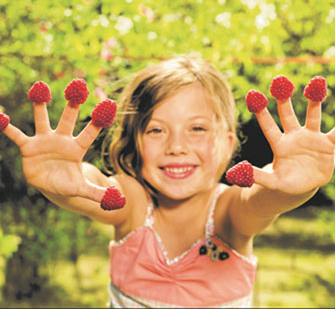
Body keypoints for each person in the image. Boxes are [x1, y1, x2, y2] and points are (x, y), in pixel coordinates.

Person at [1, 55, 334, 308]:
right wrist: (66, 179)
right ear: (136, 141)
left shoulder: (229, 215)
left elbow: (263, 202)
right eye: (157, 130)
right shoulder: (133, 205)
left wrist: (297, 186)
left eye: (198, 129)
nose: (177, 146)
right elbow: (94, 188)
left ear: (228, 142)